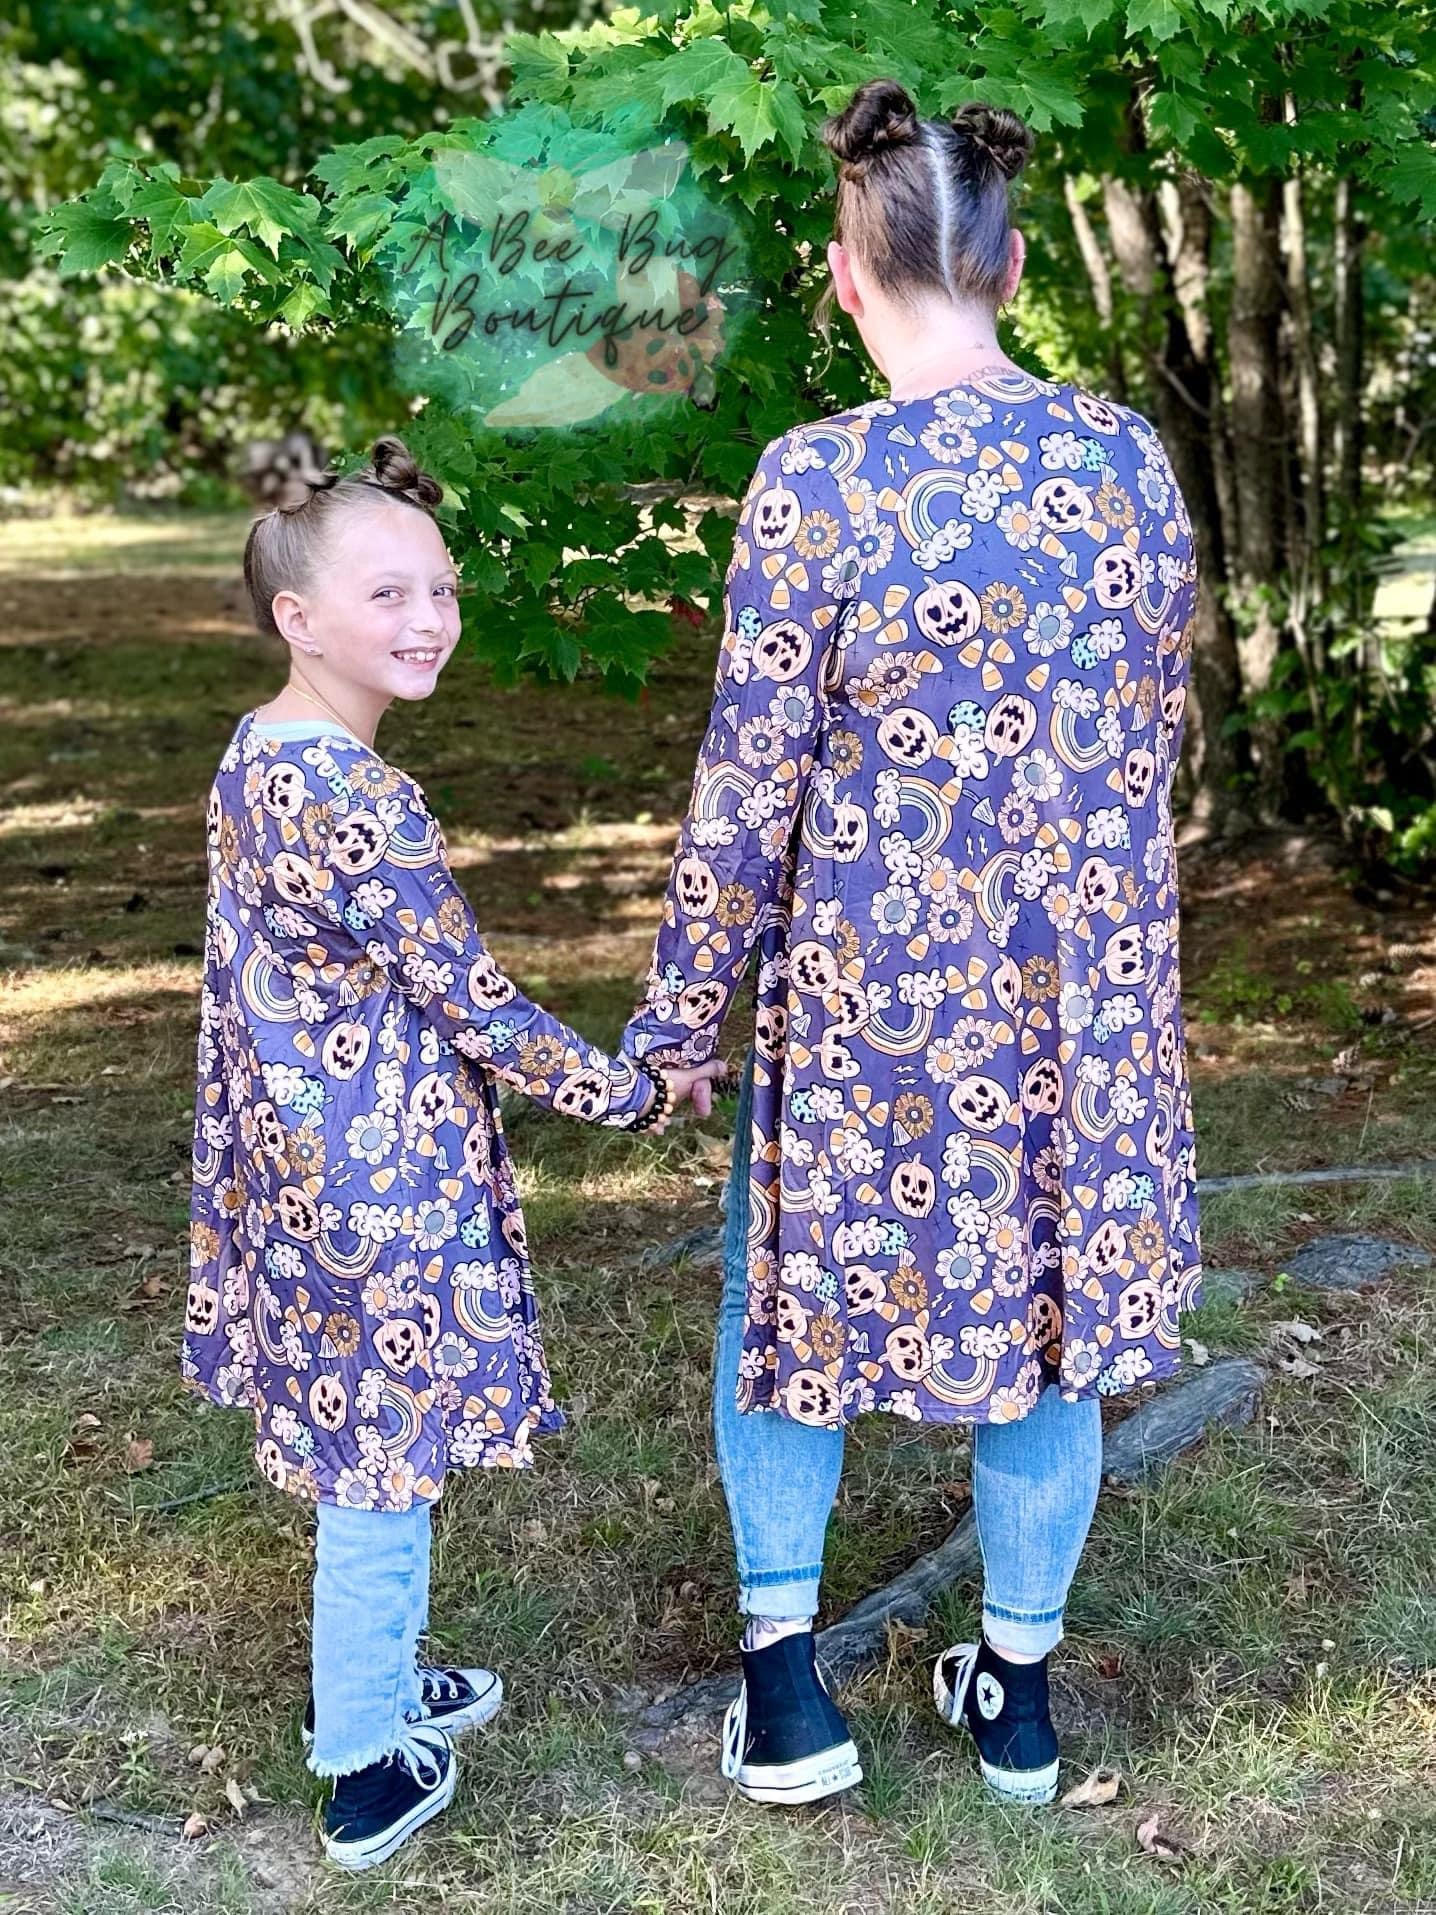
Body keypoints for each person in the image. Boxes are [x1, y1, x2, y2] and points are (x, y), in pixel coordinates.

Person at [622, 79, 1202, 1808]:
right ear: (1013, 264)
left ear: (845, 272)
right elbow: (1148, 728)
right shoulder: (1126, 462)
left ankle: (788, 1696)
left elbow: (747, 787)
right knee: (1050, 1318)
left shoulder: (817, 483)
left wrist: (677, 1022)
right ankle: (1015, 1701)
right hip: (1072, 994)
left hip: (870, 995)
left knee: (786, 1301)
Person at [182, 436, 722, 1870]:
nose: (429, 620)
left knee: (379, 1435)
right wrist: (627, 1092)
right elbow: (471, 1000)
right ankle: (362, 1758)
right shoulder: (359, 800)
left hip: (298, 1160)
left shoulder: (261, 752)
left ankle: (383, 1673)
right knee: (382, 1461)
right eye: (388, 594)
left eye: (442, 590)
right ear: (298, 617)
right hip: (369, 1178)